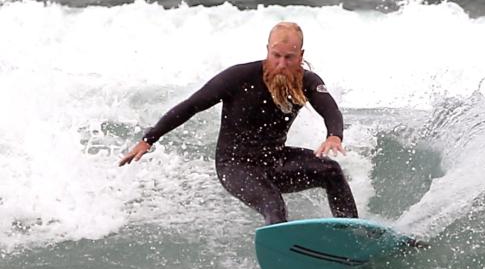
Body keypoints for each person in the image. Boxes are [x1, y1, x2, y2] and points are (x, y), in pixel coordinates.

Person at [119, 21, 358, 225]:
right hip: (235, 166)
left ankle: (352, 234)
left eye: (289, 57)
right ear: (267, 50)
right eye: (276, 56)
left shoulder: (307, 81)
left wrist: (334, 135)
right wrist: (149, 139)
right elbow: (191, 105)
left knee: (331, 171)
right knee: (274, 205)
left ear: (301, 56)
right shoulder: (238, 77)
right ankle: (284, 259)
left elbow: (330, 109)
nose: (282, 64)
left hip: (274, 160)